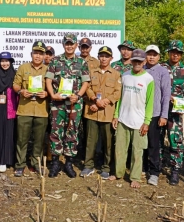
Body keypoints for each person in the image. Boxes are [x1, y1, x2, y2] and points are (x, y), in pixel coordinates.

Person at [45, 33, 90, 178]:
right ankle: (56, 163)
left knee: (72, 132)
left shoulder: (82, 62)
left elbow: (86, 82)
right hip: (57, 103)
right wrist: (52, 94)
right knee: (56, 132)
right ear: (63, 45)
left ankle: (69, 163)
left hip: (73, 104)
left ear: (76, 45)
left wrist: (78, 96)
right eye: (67, 44)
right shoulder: (55, 61)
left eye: (72, 44)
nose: (69, 46)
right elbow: (48, 80)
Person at [110, 49, 154, 189]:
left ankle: (135, 177)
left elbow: (150, 102)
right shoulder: (125, 75)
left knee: (137, 150)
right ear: (131, 61)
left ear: (144, 62)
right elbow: (120, 98)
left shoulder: (148, 79)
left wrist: (147, 122)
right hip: (123, 118)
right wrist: (116, 115)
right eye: (135, 61)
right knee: (120, 149)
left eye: (140, 61)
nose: (137, 63)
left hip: (139, 121)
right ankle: (118, 173)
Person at [82, 46, 122, 179]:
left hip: (107, 113)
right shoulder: (91, 72)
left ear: (111, 58)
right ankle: (88, 166)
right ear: (98, 57)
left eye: (106, 56)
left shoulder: (116, 74)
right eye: (101, 56)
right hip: (92, 111)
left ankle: (106, 167)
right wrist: (94, 100)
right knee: (90, 141)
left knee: (108, 143)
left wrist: (105, 101)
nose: (104, 58)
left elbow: (117, 92)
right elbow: (86, 88)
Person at [13, 41, 50, 177]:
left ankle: (36, 163)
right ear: (31, 54)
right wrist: (21, 91)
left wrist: (46, 93)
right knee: (22, 139)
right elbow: (15, 85)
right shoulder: (23, 68)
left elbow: (53, 88)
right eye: (36, 53)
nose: (38, 56)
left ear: (44, 55)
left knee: (39, 140)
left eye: (41, 54)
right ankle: (20, 165)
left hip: (41, 110)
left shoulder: (48, 70)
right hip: (25, 109)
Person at [160, 40, 184, 185]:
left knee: (176, 141)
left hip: (175, 112)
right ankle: (157, 165)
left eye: (178, 53)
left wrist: (178, 100)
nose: (175, 55)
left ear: (181, 55)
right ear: (168, 53)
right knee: (157, 139)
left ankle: (175, 169)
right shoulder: (160, 68)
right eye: (173, 52)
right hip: (160, 110)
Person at [143, 45, 171, 186]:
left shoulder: (162, 72)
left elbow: (166, 95)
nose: (151, 57)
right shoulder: (141, 69)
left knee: (154, 144)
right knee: (141, 143)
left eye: (154, 54)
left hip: (155, 113)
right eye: (149, 54)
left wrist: (164, 115)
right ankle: (142, 168)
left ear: (159, 57)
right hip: (140, 113)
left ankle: (154, 172)